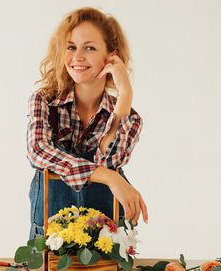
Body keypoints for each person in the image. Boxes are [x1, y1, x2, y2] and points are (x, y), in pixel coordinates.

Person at [27, 7, 148, 239]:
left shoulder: (129, 117)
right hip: (49, 244)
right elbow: (38, 151)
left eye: (89, 47)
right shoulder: (44, 102)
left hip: (105, 242)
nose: (77, 56)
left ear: (112, 56)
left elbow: (112, 159)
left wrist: (125, 93)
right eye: (71, 47)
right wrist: (110, 178)